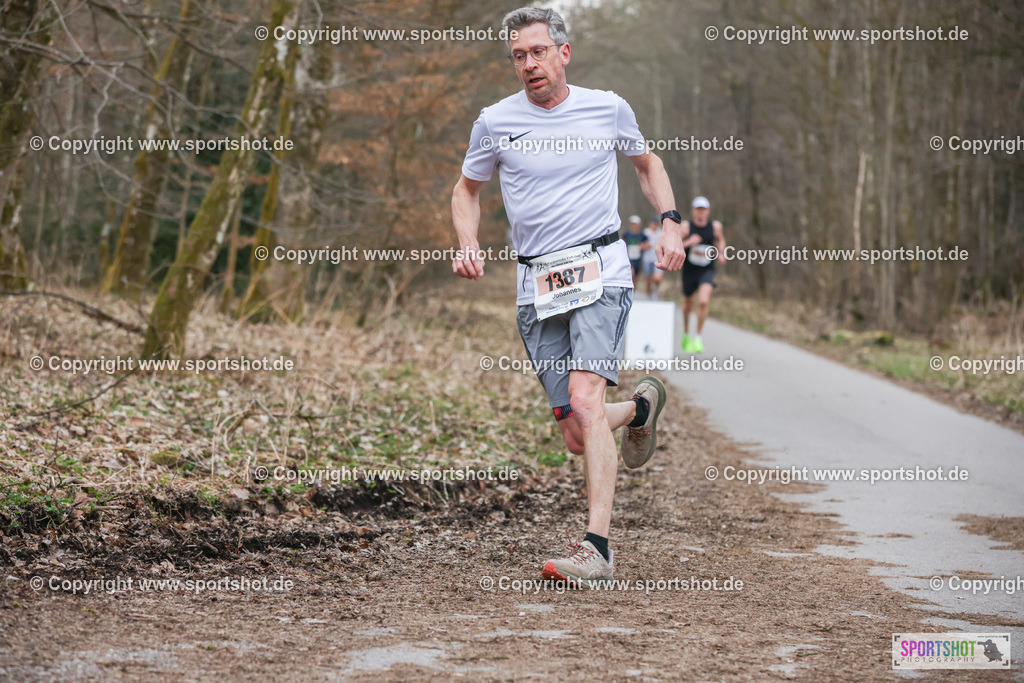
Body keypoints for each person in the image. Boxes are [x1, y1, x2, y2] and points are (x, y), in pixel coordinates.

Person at [451, 7, 685, 586]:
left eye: (538, 52)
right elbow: (466, 189)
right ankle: (640, 409)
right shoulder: (494, 121)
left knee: (585, 397)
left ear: (564, 53)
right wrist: (467, 241)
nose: (529, 64)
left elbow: (647, 163)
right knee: (579, 434)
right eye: (518, 56)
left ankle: (597, 549)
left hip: (601, 271)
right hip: (537, 284)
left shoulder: (608, 107)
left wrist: (671, 222)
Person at [680, 196, 725, 353]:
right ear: (693, 211)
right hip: (689, 271)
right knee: (688, 305)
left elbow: (720, 240)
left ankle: (698, 337)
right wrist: (689, 242)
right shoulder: (686, 227)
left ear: (708, 211)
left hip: (706, 269)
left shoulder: (715, 226)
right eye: (698, 209)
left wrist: (721, 253)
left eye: (703, 209)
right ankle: (686, 333)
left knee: (704, 301)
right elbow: (675, 245)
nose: (701, 212)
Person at [622, 215, 648, 286]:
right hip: (629, 258)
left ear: (639, 225)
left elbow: (647, 245)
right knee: (631, 273)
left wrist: (643, 246)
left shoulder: (642, 235)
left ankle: (634, 289)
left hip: (638, 259)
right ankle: (631, 287)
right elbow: (621, 242)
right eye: (632, 224)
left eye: (635, 224)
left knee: (635, 277)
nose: (634, 226)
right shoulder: (626, 234)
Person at [641, 216, 664, 299]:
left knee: (657, 278)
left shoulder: (661, 232)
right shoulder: (645, 232)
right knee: (648, 278)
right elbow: (641, 245)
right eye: (653, 224)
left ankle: (656, 290)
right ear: (650, 224)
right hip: (647, 258)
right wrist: (645, 246)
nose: (655, 225)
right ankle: (648, 294)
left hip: (657, 258)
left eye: (656, 224)